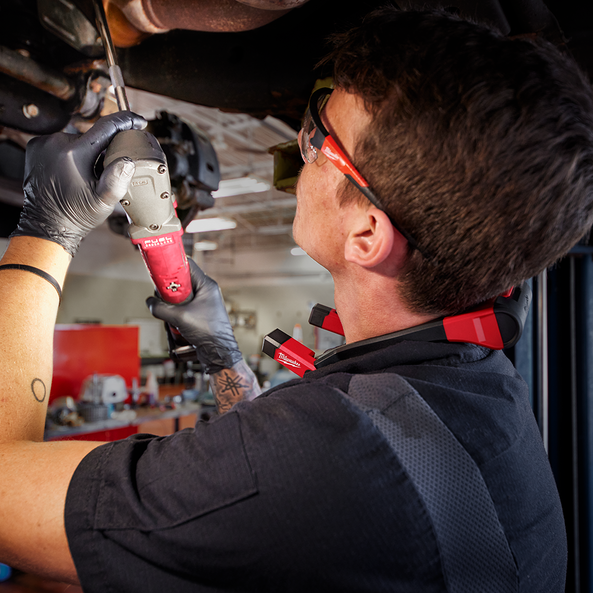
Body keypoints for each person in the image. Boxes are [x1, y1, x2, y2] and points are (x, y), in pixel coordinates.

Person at [0, 6, 592, 592]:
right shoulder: (478, 389)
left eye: (317, 136)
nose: (301, 153)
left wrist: (46, 231)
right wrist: (224, 358)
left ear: (368, 233)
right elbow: (276, 482)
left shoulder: (325, 464)